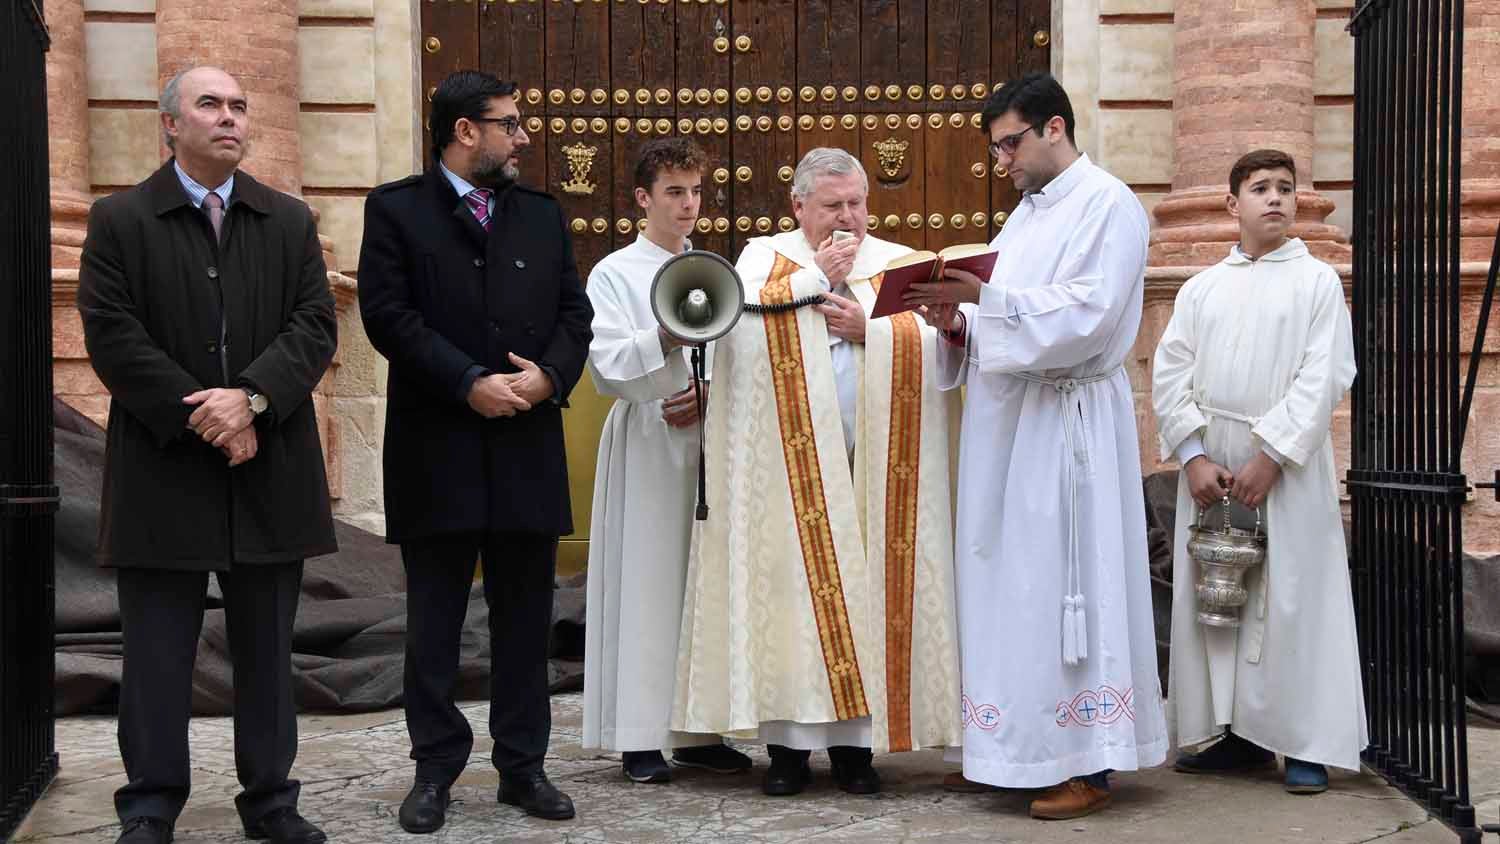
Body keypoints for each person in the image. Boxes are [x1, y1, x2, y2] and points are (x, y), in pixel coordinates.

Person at [77, 66, 338, 844]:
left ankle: (271, 804)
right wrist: (212, 416)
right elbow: (113, 337)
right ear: (170, 125)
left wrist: (251, 398)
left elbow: (314, 326)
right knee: (158, 657)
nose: (229, 118)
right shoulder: (120, 219)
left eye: (238, 106)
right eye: (210, 105)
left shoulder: (288, 221)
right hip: (166, 473)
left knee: (266, 656)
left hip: (270, 471)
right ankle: (151, 805)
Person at [904, 72, 1168, 820]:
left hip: (1067, 425)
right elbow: (1001, 319)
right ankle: (1014, 749)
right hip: (1008, 430)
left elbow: (1087, 316)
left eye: (1010, 143)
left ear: (1055, 127)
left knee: (1062, 586)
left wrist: (985, 301)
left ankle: (1089, 759)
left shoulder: (1109, 205)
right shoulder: (1023, 218)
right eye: (995, 149)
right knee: (1009, 587)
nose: (1002, 162)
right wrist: (956, 323)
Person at [671, 147, 962, 797]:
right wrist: (812, 283)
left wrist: (873, 331)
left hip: (876, 470)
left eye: (857, 203)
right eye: (832, 206)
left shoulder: (898, 264)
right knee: (789, 603)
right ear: (798, 205)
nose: (848, 219)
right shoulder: (763, 261)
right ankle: (789, 752)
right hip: (789, 474)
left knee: (869, 595)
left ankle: (858, 752)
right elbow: (732, 335)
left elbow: (943, 353)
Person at [357, 69, 593, 832]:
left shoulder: (542, 215)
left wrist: (549, 377)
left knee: (526, 620)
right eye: (510, 123)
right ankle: (434, 772)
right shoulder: (395, 210)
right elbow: (387, 315)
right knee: (434, 621)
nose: (524, 136)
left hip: (526, 441)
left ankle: (523, 768)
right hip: (438, 447)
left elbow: (572, 312)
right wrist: (467, 383)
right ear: (466, 132)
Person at [1151, 148, 1365, 794]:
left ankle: (1302, 742)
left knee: (1292, 602)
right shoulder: (1201, 288)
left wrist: (1271, 455)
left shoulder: (1318, 283)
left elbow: (1325, 374)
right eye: (1259, 187)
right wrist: (1191, 456)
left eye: (1284, 188)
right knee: (1221, 605)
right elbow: (1168, 372)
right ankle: (1233, 737)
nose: (1274, 198)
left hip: (1288, 472)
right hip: (1212, 471)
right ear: (1231, 205)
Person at [581, 137, 755, 783]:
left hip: (708, 442)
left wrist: (710, 389)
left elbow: (741, 355)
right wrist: (664, 340)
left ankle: (700, 731)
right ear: (642, 199)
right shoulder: (614, 273)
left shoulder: (715, 269)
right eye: (674, 192)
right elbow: (605, 363)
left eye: (696, 191)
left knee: (702, 581)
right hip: (649, 440)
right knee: (649, 581)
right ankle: (642, 735)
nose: (688, 205)